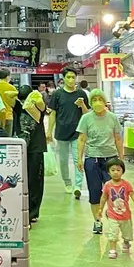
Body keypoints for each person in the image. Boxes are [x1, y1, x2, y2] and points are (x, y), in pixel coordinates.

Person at [76, 90, 125, 234]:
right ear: (91, 103)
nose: (98, 102)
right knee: (95, 191)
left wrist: (121, 159)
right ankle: (97, 221)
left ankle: (114, 217)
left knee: (113, 191)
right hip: (92, 159)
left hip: (110, 158)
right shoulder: (86, 118)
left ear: (105, 101)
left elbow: (117, 138)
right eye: (94, 100)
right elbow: (82, 139)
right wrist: (79, 158)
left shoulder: (113, 118)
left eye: (100, 99)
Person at [45, 67, 90, 195]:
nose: (71, 80)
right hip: (61, 132)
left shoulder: (81, 94)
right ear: (63, 79)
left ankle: (78, 186)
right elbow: (53, 114)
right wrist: (49, 131)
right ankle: (67, 182)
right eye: (68, 77)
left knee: (78, 159)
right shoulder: (57, 94)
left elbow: (87, 114)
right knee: (63, 160)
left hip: (78, 133)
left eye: (73, 77)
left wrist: (82, 105)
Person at [16, 87, 48, 225]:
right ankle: (28, 211)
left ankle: (31, 212)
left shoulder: (37, 107)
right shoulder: (20, 107)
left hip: (31, 147)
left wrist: (34, 96)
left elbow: (43, 106)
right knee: (30, 181)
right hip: (27, 148)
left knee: (33, 180)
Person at [97, 157, 134, 258]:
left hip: (125, 216)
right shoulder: (107, 185)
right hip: (112, 215)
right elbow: (103, 198)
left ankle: (126, 242)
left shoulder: (126, 184)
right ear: (108, 172)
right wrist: (100, 209)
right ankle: (112, 250)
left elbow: (132, 194)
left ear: (122, 171)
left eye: (118, 170)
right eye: (113, 170)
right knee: (113, 233)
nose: (116, 172)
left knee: (127, 233)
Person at [0, 68, 19, 135]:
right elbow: (13, 104)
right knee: (7, 141)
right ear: (7, 76)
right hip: (8, 116)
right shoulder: (12, 88)